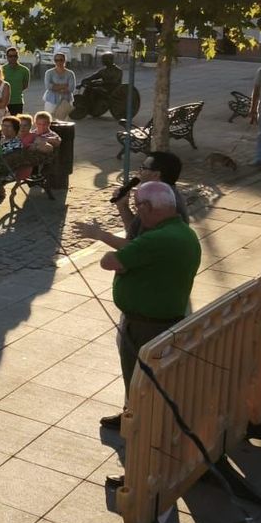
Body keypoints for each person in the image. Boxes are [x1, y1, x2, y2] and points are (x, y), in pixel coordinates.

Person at [85, 180, 200, 432]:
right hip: (163, 317)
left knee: (139, 379)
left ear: (147, 207)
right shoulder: (182, 232)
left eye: (138, 207)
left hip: (146, 326)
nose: (137, 213)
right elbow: (136, 249)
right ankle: (134, 413)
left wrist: (112, 254)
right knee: (143, 380)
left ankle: (140, 426)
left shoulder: (157, 239)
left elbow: (110, 262)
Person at [41, 52, 77, 122]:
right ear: (54, 61)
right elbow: (48, 86)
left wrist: (55, 86)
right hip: (51, 100)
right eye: (56, 60)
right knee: (49, 120)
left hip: (66, 100)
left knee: (63, 121)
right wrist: (64, 86)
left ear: (64, 60)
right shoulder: (49, 72)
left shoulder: (70, 73)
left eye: (61, 60)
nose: (59, 62)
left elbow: (71, 88)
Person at [0, 48, 30, 115]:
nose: (13, 58)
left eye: (15, 56)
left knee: (16, 121)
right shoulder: (1, 69)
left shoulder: (24, 70)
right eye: (10, 56)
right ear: (7, 57)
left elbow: (25, 85)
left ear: (18, 56)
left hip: (17, 101)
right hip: (3, 101)